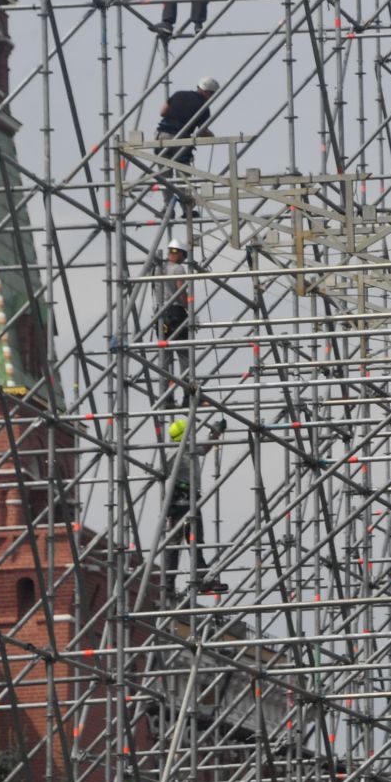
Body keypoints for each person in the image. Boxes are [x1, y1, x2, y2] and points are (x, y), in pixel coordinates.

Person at [161, 414, 225, 594]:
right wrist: (215, 433)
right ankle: (196, 578)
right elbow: (204, 447)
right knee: (191, 539)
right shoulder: (183, 448)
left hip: (180, 499)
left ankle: (170, 584)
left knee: (181, 540)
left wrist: (215, 434)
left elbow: (203, 448)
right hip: (182, 498)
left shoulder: (176, 449)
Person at [156, 77, 219, 215]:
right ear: (208, 92)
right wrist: (212, 136)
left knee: (164, 176)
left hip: (162, 137)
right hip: (181, 141)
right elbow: (201, 131)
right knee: (183, 176)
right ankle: (187, 209)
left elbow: (162, 112)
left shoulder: (178, 94)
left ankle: (168, 209)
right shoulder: (204, 107)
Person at [150, 241, 197, 399]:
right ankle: (187, 394)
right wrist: (189, 309)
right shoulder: (179, 268)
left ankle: (166, 396)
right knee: (184, 355)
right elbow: (181, 293)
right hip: (176, 313)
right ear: (181, 254)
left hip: (160, 316)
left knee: (166, 356)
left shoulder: (157, 269)